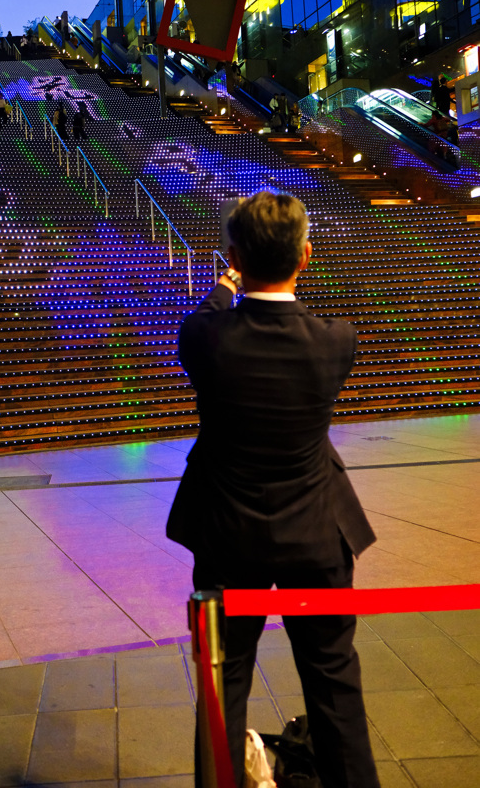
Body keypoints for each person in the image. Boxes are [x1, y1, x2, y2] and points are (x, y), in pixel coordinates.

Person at [167, 192, 380, 788]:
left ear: (233, 256)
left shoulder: (206, 338)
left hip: (228, 535)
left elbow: (211, 310)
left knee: (224, 680)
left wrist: (227, 283)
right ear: (305, 256)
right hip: (317, 532)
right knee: (334, 680)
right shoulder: (336, 339)